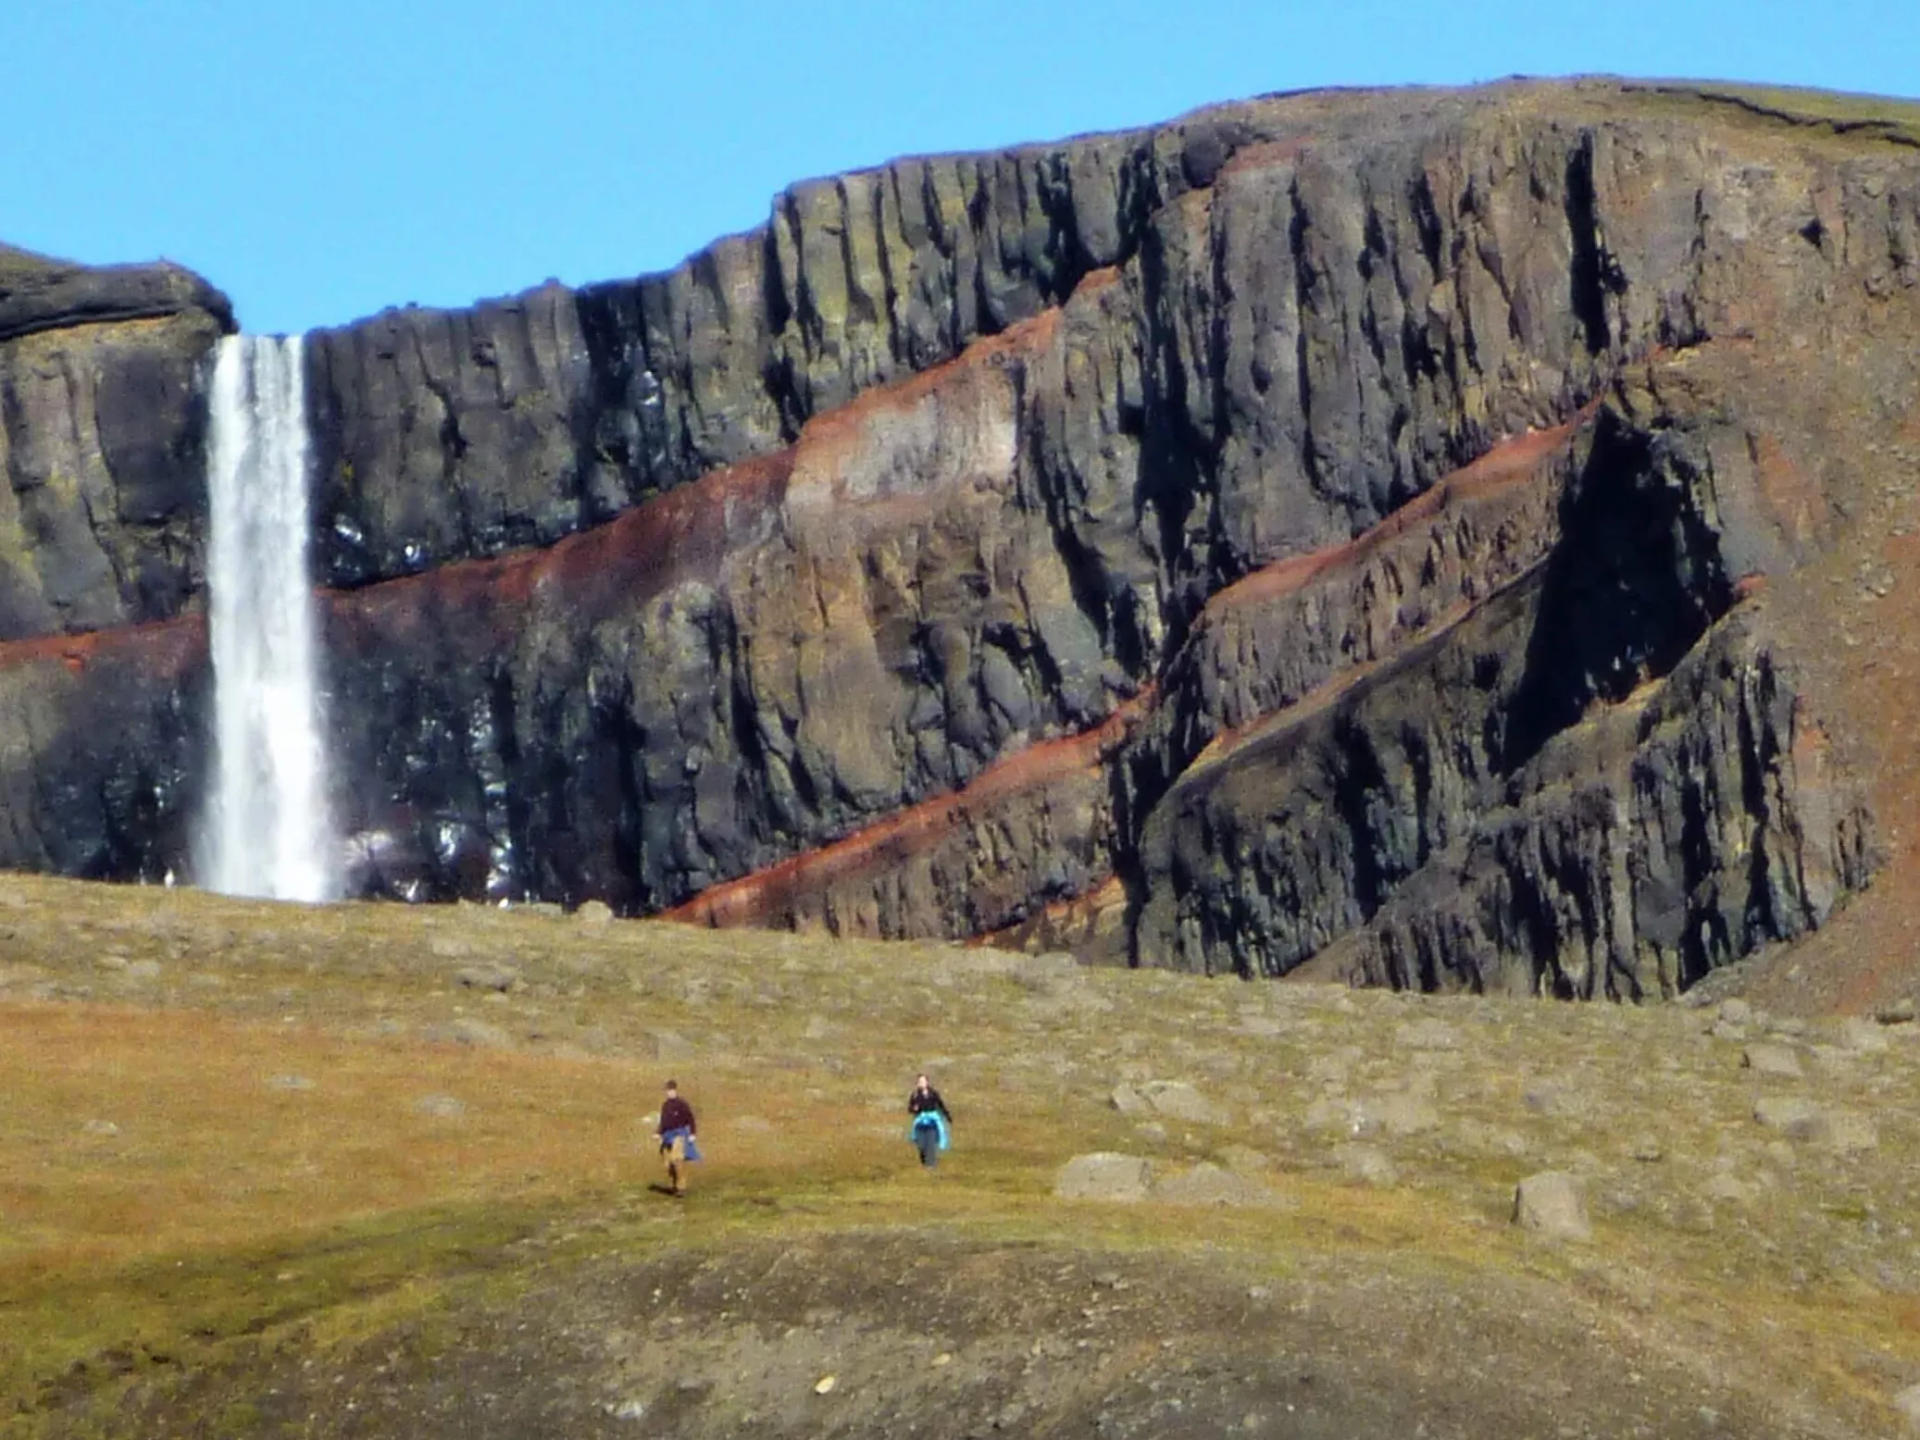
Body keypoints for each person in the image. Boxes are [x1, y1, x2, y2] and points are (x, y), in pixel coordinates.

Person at [656, 1079, 700, 1196]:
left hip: (679, 1135)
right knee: (667, 1163)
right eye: (667, 1090)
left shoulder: (682, 1104)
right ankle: (674, 1185)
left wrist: (692, 1134)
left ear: (675, 1090)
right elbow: (663, 1122)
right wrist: (658, 1133)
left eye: (670, 1090)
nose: (668, 1093)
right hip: (667, 1136)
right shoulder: (665, 1105)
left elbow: (691, 1119)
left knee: (677, 1159)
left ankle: (681, 1187)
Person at [907, 1072, 952, 1168]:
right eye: (920, 1081)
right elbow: (910, 1109)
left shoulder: (933, 1093)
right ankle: (924, 1160)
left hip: (932, 1122)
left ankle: (931, 1164)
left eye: (923, 1081)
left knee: (931, 1143)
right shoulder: (915, 1095)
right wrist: (914, 1109)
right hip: (920, 1123)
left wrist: (947, 1116)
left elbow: (940, 1105)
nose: (922, 1083)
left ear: (927, 1082)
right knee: (922, 1145)